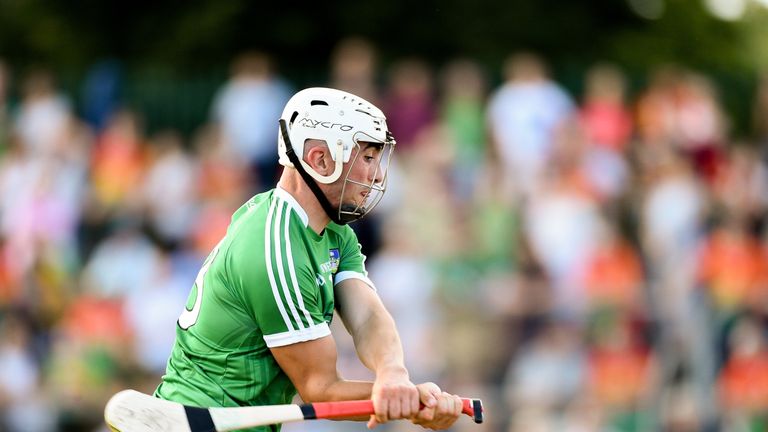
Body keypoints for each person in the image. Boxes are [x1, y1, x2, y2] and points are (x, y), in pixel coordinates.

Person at [155, 87, 463, 431]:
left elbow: (367, 316)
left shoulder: (333, 231)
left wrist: (395, 375)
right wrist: (414, 404)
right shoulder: (274, 249)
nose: (377, 175)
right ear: (320, 160)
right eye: (367, 157)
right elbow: (321, 390)